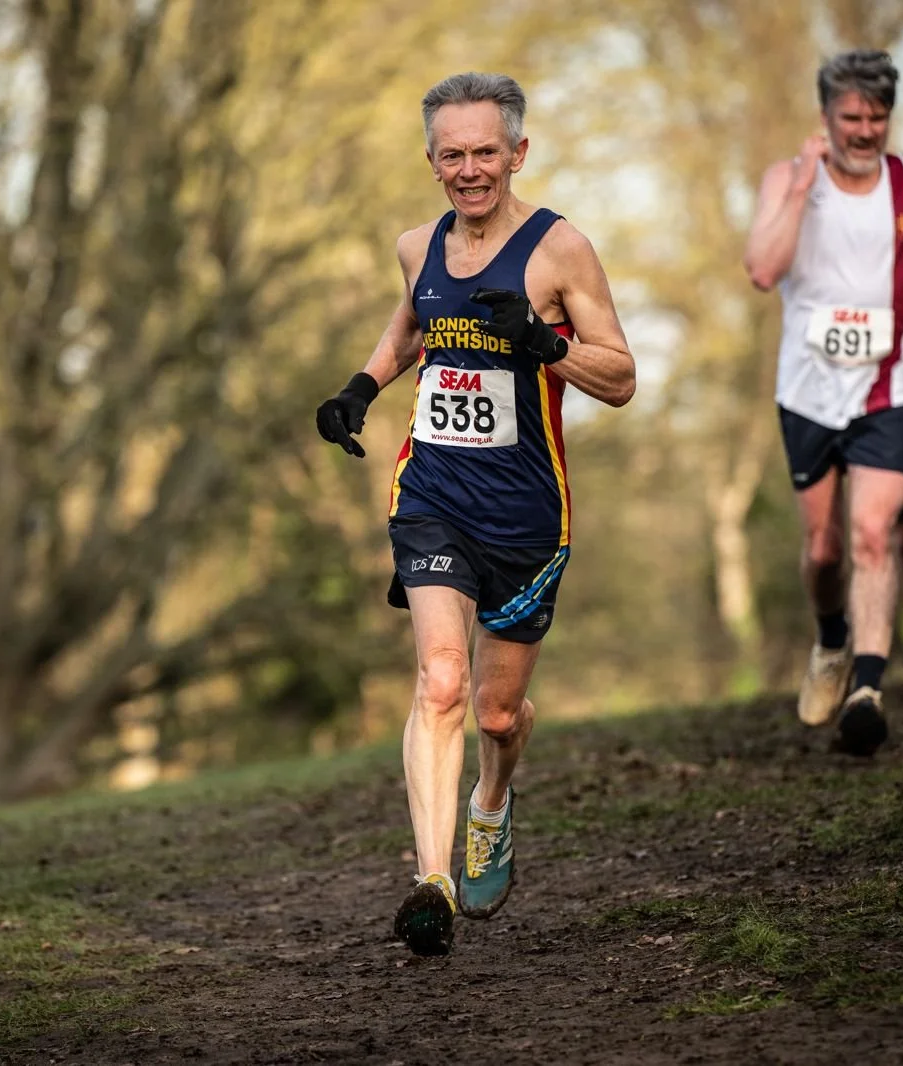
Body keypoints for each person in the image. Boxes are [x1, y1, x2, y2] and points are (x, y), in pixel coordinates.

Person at [314, 72, 636, 957]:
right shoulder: (417, 247)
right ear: (431, 162)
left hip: (529, 518)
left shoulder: (559, 250)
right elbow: (411, 328)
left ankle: (491, 802)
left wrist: (542, 342)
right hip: (434, 498)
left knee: (496, 714)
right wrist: (361, 387)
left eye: (484, 152)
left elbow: (621, 376)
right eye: (451, 154)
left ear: (517, 154)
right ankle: (432, 881)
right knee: (441, 682)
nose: (468, 169)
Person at [744, 49, 903, 757]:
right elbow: (762, 269)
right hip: (809, 392)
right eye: (851, 117)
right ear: (825, 116)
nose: (865, 130)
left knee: (877, 535)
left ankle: (868, 691)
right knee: (824, 551)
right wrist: (799, 188)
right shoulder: (789, 180)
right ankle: (831, 641)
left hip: (889, 386)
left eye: (877, 117)